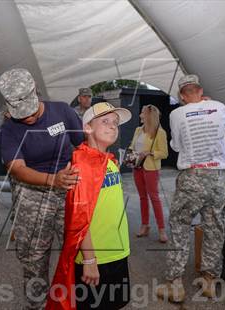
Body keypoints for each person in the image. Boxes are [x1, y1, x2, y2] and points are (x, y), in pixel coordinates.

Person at [0, 68, 84, 310]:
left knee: (77, 249)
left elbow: (82, 146)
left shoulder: (62, 111)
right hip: (31, 195)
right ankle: (37, 305)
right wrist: (51, 180)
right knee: (34, 258)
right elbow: (16, 168)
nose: (27, 118)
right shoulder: (9, 130)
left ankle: (76, 302)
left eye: (31, 111)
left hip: (68, 188)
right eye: (20, 114)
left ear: (36, 92)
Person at [156, 74, 225, 303]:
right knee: (214, 229)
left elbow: (176, 145)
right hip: (215, 179)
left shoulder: (176, 114)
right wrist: (220, 123)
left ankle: (175, 284)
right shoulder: (218, 106)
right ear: (200, 91)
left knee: (179, 227)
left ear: (183, 95)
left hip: (190, 178)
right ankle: (209, 281)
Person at [46, 102, 132, 310]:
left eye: (115, 123)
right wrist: (89, 260)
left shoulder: (109, 161)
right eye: (105, 121)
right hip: (95, 256)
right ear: (87, 128)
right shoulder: (81, 163)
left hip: (117, 251)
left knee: (115, 303)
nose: (113, 126)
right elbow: (79, 217)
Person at [128, 105, 168, 242]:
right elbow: (132, 146)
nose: (140, 115)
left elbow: (164, 153)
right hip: (137, 167)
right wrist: (129, 152)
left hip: (151, 168)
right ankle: (145, 226)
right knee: (142, 198)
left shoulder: (159, 132)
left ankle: (162, 229)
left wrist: (150, 153)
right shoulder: (138, 130)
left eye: (142, 113)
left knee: (154, 198)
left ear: (149, 116)